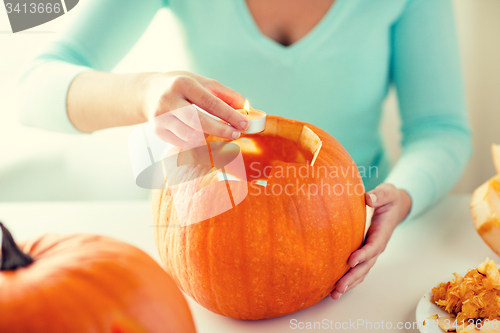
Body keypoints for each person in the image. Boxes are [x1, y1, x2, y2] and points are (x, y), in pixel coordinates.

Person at [17, 0, 472, 300]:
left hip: (357, 232)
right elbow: (33, 89)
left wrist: (405, 193)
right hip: (204, 226)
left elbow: (440, 128)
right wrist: (144, 91)